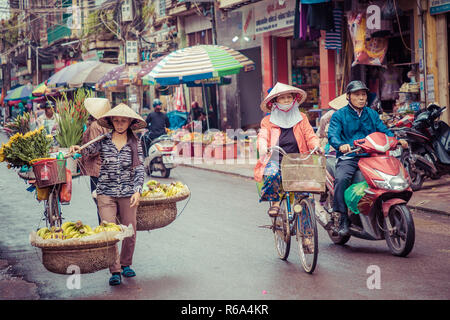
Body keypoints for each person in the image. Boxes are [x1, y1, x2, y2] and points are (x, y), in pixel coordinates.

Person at [69, 103, 146, 286]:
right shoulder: (103, 140)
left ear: (130, 122)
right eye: (116, 120)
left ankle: (126, 264)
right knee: (109, 233)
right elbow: (86, 151)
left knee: (130, 230)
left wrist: (137, 190)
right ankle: (115, 269)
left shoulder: (135, 143)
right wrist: (76, 148)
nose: (120, 124)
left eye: (123, 121)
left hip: (128, 192)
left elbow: (139, 169)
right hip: (105, 192)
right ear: (111, 122)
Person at [327, 80, 408, 237]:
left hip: (371, 155)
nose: (361, 98)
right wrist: (341, 145)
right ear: (349, 97)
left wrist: (396, 140)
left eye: (363, 94)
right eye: (357, 95)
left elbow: (384, 130)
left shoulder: (371, 114)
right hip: (350, 156)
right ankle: (343, 217)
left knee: (388, 175)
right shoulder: (339, 115)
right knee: (342, 179)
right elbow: (333, 135)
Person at [254, 82, 323, 217]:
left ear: (294, 99)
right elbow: (262, 136)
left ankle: (306, 232)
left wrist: (316, 146)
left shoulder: (301, 118)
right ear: (275, 101)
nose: (286, 100)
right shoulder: (267, 121)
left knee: (304, 195)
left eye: (289, 97)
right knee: (272, 174)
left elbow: (310, 135)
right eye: (282, 98)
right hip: (276, 158)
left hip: (299, 159)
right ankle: (275, 202)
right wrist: (263, 147)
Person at [79, 98, 111, 224]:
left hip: (97, 169)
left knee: (100, 202)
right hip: (106, 167)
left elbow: (94, 149)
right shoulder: (106, 124)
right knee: (105, 202)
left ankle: (104, 228)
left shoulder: (95, 125)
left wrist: (82, 150)